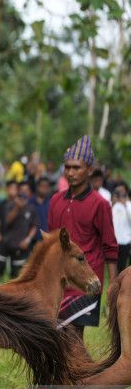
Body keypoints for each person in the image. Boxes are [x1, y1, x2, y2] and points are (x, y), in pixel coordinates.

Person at [49, 135, 117, 339]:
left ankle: (86, 371)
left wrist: (112, 285)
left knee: (73, 337)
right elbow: (52, 243)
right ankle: (80, 370)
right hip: (59, 280)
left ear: (89, 170)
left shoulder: (100, 204)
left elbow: (110, 247)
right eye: (67, 167)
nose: (70, 172)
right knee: (59, 337)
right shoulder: (55, 201)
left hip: (86, 281)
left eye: (76, 168)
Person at [0, 180, 38, 280]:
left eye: (27, 190)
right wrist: (17, 208)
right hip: (5, 244)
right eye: (22, 190)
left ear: (29, 193)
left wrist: (28, 240)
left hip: (20, 247)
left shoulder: (32, 208)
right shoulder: (10, 205)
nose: (24, 192)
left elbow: (35, 226)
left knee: (17, 276)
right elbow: (7, 220)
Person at [112, 182, 131, 272]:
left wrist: (125, 205)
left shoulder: (129, 205)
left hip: (125, 240)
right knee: (114, 264)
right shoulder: (114, 205)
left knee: (122, 266)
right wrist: (113, 203)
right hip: (115, 240)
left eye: (122, 191)